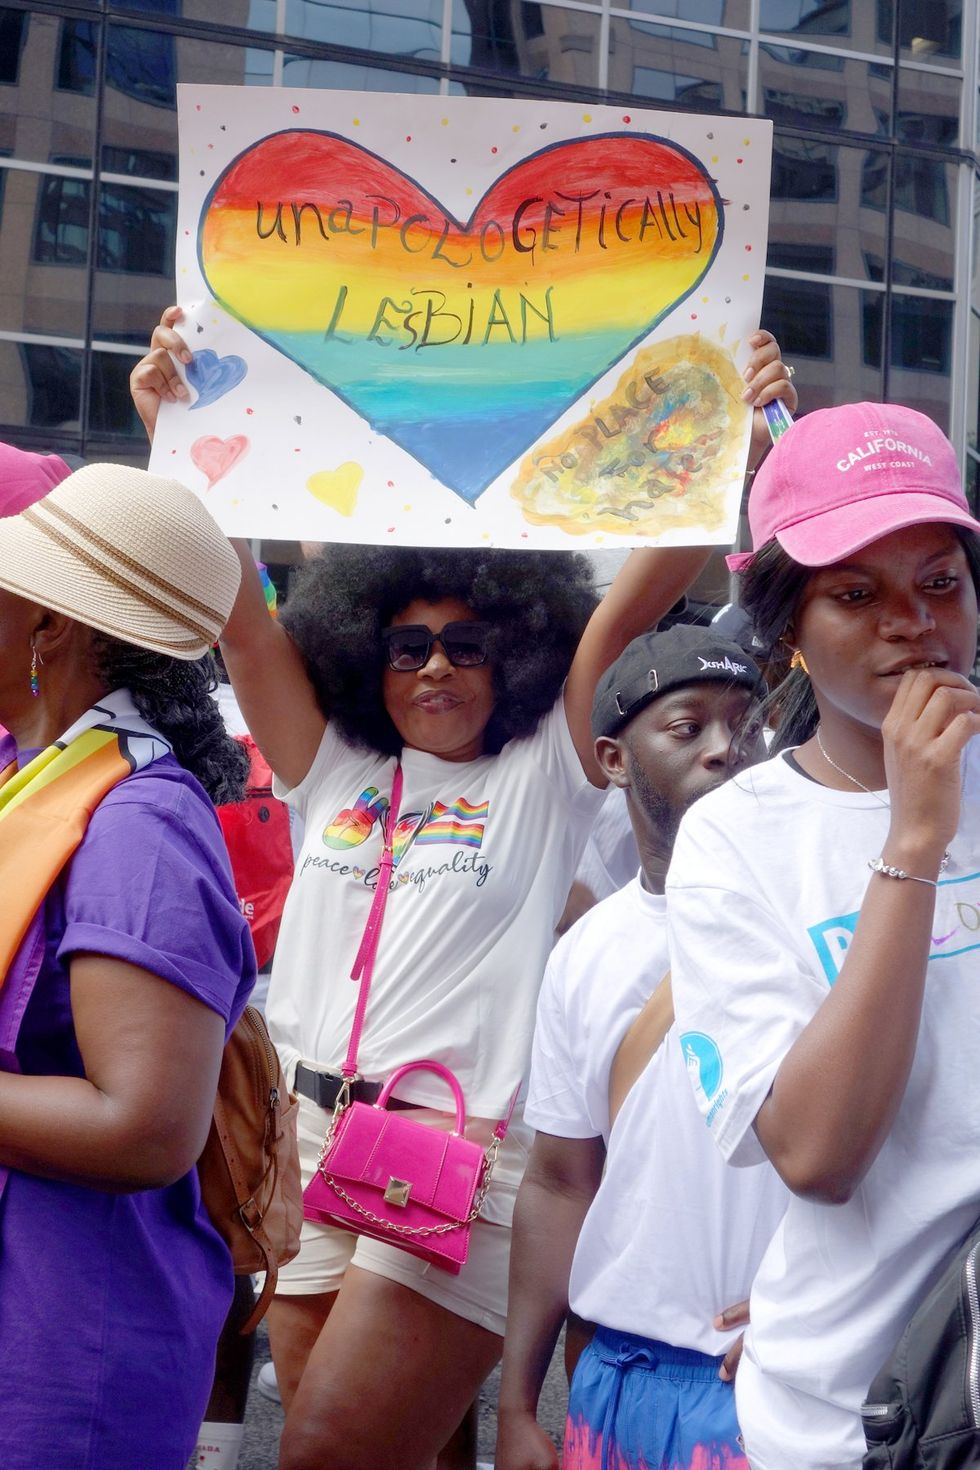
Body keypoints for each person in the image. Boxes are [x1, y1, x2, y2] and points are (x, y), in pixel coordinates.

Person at [130, 306, 795, 1470]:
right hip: (301, 1145)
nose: (433, 665)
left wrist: (723, 443)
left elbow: (636, 600)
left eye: (465, 643)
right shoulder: (334, 763)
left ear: (518, 653)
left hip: (456, 1156)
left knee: (324, 1453)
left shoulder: (543, 772)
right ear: (364, 655)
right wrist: (176, 431)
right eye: (406, 646)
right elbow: (241, 625)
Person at [667, 401, 980, 1470]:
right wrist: (914, 837)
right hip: (848, 1421)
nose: (912, 621)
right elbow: (818, 1154)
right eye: (855, 593)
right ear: (786, 633)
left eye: (940, 581)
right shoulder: (733, 841)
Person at [0, 461, 256, 1469]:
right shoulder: (40, 777)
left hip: (62, 1351)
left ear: (50, 627)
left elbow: (144, 1126)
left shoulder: (138, 826)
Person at [496, 624, 788, 1470]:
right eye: (688, 728)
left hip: (776, 1384)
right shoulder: (586, 952)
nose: (727, 749)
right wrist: (516, 1406)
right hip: (619, 1383)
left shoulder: (827, 916)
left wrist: (820, 1309)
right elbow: (561, 1180)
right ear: (614, 760)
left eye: (749, 724)